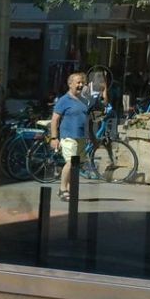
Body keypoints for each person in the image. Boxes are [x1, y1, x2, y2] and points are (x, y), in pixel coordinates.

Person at [48, 71, 92, 202]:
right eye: (78, 82)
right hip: (68, 136)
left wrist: (92, 137)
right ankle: (62, 189)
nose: (80, 85)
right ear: (70, 84)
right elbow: (55, 120)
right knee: (71, 162)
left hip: (81, 137)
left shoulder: (84, 100)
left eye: (82, 83)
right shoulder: (64, 100)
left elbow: (88, 120)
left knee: (76, 165)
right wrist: (54, 138)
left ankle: (69, 188)